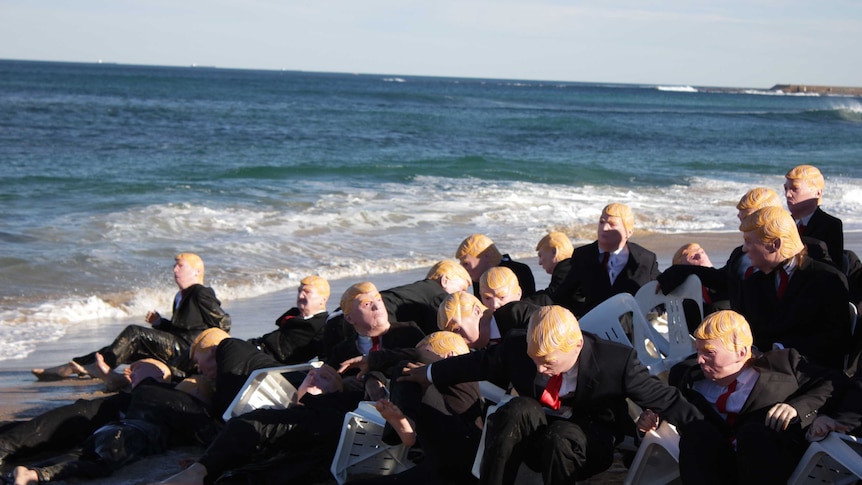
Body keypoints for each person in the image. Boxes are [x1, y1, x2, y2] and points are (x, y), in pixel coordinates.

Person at [401, 305, 702, 484]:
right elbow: (476, 363)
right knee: (514, 409)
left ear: (577, 346)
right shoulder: (519, 347)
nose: (541, 369)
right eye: (535, 361)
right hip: (535, 425)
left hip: (589, 438)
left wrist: (708, 434)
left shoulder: (616, 361)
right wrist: (428, 373)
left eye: (549, 362)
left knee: (561, 436)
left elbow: (665, 398)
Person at [641, 310, 843, 485]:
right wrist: (653, 418)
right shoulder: (688, 377)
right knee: (696, 434)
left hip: (768, 461)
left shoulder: (784, 365)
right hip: (715, 464)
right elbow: (674, 407)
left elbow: (834, 383)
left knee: (754, 434)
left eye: (709, 352)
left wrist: (796, 407)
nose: (700, 360)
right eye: (698, 351)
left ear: (741, 352)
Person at [147, 364, 364, 485]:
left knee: (251, 424)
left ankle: (196, 474)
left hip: (322, 446)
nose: (314, 376)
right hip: (273, 463)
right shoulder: (284, 412)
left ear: (337, 391)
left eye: (325, 377)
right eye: (311, 374)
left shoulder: (334, 409)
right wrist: (213, 458)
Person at [32, 253, 231, 381]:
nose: (174, 270)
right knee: (121, 346)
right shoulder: (180, 296)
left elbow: (223, 322)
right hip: (178, 343)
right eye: (174, 266)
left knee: (134, 333)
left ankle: (99, 367)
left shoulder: (201, 292)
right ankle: (76, 365)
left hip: (187, 349)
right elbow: (182, 328)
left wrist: (206, 352)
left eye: (180, 266)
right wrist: (160, 323)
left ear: (196, 272)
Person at [9, 374, 216, 485]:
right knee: (101, 465)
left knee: (79, 454)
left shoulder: (148, 392)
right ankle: (35, 476)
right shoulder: (184, 404)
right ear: (196, 393)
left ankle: (20, 474)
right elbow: (206, 434)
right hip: (128, 437)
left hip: (110, 429)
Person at [342, 331, 484, 485]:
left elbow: (415, 356)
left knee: (407, 368)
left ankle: (407, 422)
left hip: (461, 455)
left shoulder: (460, 372)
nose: (417, 355)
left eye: (426, 350)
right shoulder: (439, 386)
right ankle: (406, 423)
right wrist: (373, 376)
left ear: (450, 355)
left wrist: (372, 359)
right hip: (441, 466)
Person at [736, 206, 850, 370]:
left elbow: (836, 339)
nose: (744, 249)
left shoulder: (827, 279)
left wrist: (781, 350)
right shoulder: (754, 283)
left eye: (749, 242)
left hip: (810, 372)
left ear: (775, 244)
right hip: (761, 369)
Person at [0, 359, 172, 469]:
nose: (131, 373)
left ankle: (7, 446)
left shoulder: (159, 389)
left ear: (160, 374)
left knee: (83, 413)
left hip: (117, 419)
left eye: (137, 368)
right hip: (111, 422)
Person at [552, 203, 660, 317]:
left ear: (628, 232)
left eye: (612, 224)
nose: (604, 228)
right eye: (602, 222)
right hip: (592, 328)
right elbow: (565, 295)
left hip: (631, 330)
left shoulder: (645, 259)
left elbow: (660, 289)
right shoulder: (583, 255)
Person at [326, 282, 425, 390]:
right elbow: (331, 376)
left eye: (379, 300)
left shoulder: (408, 331)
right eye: (367, 304)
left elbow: (420, 354)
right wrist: (342, 382)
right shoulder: (342, 350)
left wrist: (373, 362)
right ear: (350, 318)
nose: (377, 307)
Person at [248, 275, 330, 364]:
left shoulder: (323, 324)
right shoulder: (294, 314)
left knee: (232, 345)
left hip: (268, 360)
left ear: (323, 299)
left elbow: (325, 357)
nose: (301, 295)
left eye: (307, 292)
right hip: (257, 347)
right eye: (299, 291)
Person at [784, 164, 844, 269]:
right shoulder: (783, 224)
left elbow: (834, 269)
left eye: (795, 189)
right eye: (786, 188)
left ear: (817, 193)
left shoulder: (830, 225)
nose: (788, 194)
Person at [437, 290, 537, 350]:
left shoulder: (517, 313)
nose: (456, 339)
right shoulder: (473, 350)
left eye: (456, 330)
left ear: (476, 311)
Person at [455, 233, 536, 298]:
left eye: (466, 264)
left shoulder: (520, 270)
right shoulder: (479, 275)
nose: (463, 270)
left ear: (486, 255)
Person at [526, 231, 574, 305]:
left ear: (554, 251)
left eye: (540, 255)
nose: (539, 262)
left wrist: (520, 304)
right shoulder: (572, 267)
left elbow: (551, 297)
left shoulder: (566, 270)